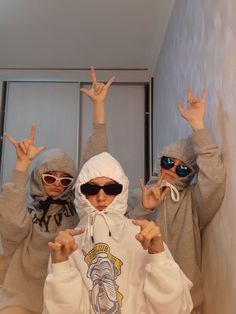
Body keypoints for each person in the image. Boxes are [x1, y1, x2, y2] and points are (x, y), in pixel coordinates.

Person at [0, 67, 114, 314]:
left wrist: (99, 108)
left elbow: (95, 162)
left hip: (66, 294)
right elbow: (9, 228)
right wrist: (21, 167)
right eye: (50, 177)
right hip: (21, 293)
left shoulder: (77, 206)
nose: (56, 184)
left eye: (65, 181)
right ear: (38, 177)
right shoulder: (26, 211)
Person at [43, 151, 193, 314]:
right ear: (81, 192)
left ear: (122, 191)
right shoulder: (68, 245)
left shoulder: (144, 236)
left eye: (111, 188)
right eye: (91, 188)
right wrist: (61, 266)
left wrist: (158, 256)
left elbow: (173, 309)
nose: (101, 197)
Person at [128, 88, 226, 313]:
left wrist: (199, 127)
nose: (172, 169)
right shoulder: (136, 196)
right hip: (137, 298)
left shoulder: (192, 201)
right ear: (158, 161)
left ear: (190, 174)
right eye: (167, 162)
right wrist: (143, 209)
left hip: (183, 301)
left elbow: (215, 180)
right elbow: (121, 238)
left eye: (181, 167)